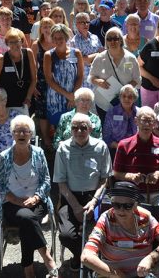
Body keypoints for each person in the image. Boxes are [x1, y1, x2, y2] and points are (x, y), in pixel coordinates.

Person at [0, 115, 57, 278]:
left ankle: (28, 269)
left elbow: (46, 181)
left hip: (37, 202)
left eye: (25, 131)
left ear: (31, 134)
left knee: (27, 220)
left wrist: (36, 197)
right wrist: (16, 200)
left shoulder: (39, 153)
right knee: (27, 218)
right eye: (17, 131)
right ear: (12, 134)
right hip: (12, 204)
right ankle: (47, 258)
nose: (21, 134)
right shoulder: (4, 157)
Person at [81, 180, 159, 277]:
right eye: (116, 205)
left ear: (135, 205)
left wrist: (151, 258)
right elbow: (86, 256)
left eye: (127, 206)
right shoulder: (106, 219)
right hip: (112, 274)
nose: (121, 210)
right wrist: (116, 274)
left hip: (142, 273)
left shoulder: (145, 218)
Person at [54, 113, 111, 272]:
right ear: (70, 129)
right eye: (75, 128)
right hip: (70, 197)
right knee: (67, 236)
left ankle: (91, 261)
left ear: (90, 129)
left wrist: (93, 201)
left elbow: (105, 180)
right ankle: (85, 259)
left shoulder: (101, 147)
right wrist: (76, 207)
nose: (79, 131)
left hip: (95, 196)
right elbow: (61, 183)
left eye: (83, 127)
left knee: (104, 232)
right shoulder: (63, 148)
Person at [113, 106, 159, 234]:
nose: (147, 124)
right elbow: (116, 174)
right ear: (136, 121)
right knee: (134, 225)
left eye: (150, 121)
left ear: (155, 124)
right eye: (144, 120)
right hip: (131, 195)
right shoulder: (124, 145)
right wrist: (130, 177)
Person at [89, 27, 141, 122]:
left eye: (115, 38)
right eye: (109, 39)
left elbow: (137, 80)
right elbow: (91, 77)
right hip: (104, 104)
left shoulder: (131, 58)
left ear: (121, 40)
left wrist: (126, 89)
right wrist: (98, 81)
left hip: (126, 104)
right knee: (106, 132)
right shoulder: (99, 58)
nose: (112, 41)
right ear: (106, 41)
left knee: (126, 132)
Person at [44, 23, 84, 127]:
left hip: (73, 97)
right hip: (55, 99)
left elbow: (80, 76)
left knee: (74, 127)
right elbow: (49, 79)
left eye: (61, 38)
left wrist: (73, 96)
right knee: (58, 129)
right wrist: (67, 95)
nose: (58, 41)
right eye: (55, 38)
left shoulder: (76, 53)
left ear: (66, 37)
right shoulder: (48, 55)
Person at [0, 28, 36, 114]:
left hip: (26, 101)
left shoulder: (29, 53)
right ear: (7, 43)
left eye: (17, 41)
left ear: (22, 41)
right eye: (11, 42)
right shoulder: (1, 59)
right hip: (6, 102)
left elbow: (34, 79)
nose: (15, 44)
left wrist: (28, 98)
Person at [31, 17, 55, 149]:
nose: (46, 28)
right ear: (40, 29)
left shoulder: (58, 42)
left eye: (49, 25)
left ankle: (56, 137)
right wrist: (33, 85)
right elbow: (32, 66)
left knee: (57, 109)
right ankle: (46, 139)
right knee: (42, 112)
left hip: (57, 81)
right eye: (44, 26)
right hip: (41, 81)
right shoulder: (36, 44)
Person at [69, 12, 103, 90]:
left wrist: (88, 57)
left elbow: (103, 54)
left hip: (98, 77)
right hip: (84, 81)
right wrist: (97, 54)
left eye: (87, 22)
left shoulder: (95, 37)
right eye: (82, 22)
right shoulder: (74, 41)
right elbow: (81, 60)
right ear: (77, 25)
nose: (86, 24)